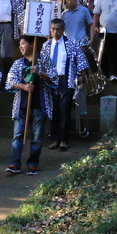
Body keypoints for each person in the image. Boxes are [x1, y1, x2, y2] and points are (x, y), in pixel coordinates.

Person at [5, 36, 56, 176]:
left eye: (23, 44)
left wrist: (40, 73)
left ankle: (33, 163)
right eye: (20, 45)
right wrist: (23, 86)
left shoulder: (44, 60)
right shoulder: (18, 63)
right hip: (21, 104)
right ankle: (14, 163)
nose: (21, 47)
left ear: (32, 44)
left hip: (39, 104)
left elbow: (54, 78)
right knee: (17, 135)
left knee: (37, 136)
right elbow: (9, 82)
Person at [40, 18, 88, 151]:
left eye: (58, 29)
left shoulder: (71, 43)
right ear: (50, 30)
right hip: (50, 80)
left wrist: (82, 74)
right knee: (53, 110)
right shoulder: (46, 45)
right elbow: (42, 63)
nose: (55, 32)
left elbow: (80, 59)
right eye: (53, 29)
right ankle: (55, 138)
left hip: (66, 79)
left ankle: (64, 139)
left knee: (64, 110)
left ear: (63, 30)